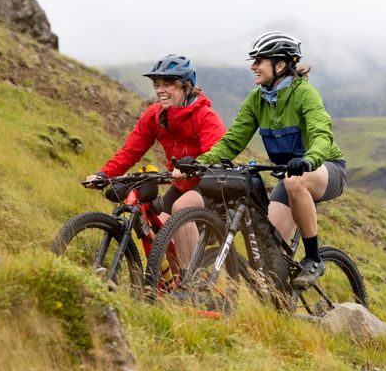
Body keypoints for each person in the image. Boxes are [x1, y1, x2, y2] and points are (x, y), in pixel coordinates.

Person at [196, 31, 347, 287]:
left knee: (294, 182)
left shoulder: (304, 94)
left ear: (279, 65)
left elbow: (322, 134)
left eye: (259, 61)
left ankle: (313, 259)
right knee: (270, 254)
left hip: (324, 168)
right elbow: (232, 141)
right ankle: (281, 298)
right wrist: (200, 163)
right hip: (289, 175)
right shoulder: (257, 100)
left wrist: (309, 159)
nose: (253, 66)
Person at [85, 54, 226, 261]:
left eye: (168, 84)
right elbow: (130, 151)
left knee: (180, 209)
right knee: (160, 232)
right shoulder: (155, 115)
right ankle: (174, 286)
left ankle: (191, 285)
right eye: (157, 84)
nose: (160, 90)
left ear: (186, 87)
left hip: (209, 185)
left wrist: (193, 166)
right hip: (180, 186)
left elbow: (217, 157)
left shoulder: (205, 117)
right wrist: (103, 174)